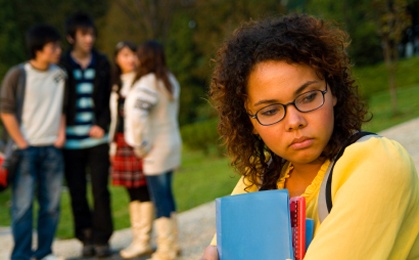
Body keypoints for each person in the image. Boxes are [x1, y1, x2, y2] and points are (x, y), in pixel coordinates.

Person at [201, 13, 419, 260]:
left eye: (308, 97)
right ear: (249, 121)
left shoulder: (378, 163)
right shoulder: (259, 179)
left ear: (333, 91)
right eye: (270, 111)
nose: (294, 122)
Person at [0, 24, 66, 260]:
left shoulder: (59, 75)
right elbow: (6, 111)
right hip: (24, 150)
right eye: (53, 46)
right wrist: (22, 142)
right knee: (23, 206)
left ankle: (45, 252)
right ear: (38, 49)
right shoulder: (18, 74)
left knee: (51, 206)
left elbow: (62, 108)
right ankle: (21, 255)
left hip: (52, 149)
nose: (58, 50)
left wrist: (61, 135)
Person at [60, 12, 113, 257]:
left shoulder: (102, 63)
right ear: (72, 38)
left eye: (91, 34)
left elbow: (108, 100)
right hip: (70, 141)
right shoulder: (61, 65)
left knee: (100, 190)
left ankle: (103, 237)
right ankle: (86, 236)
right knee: (77, 190)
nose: (89, 39)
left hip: (97, 138)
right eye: (84, 35)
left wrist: (102, 124)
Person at [124, 40, 182, 260]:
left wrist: (140, 145)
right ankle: (172, 243)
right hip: (172, 143)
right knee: (167, 194)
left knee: (160, 197)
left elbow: (137, 118)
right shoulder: (169, 79)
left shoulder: (147, 84)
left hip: (156, 148)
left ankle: (166, 249)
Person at [109, 41, 154, 258]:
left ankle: (144, 239)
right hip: (121, 141)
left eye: (133, 54)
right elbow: (113, 118)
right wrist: (112, 145)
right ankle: (138, 237)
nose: (130, 59)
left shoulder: (145, 81)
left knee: (143, 189)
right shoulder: (116, 84)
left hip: (141, 142)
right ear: (117, 59)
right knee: (131, 191)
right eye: (125, 55)